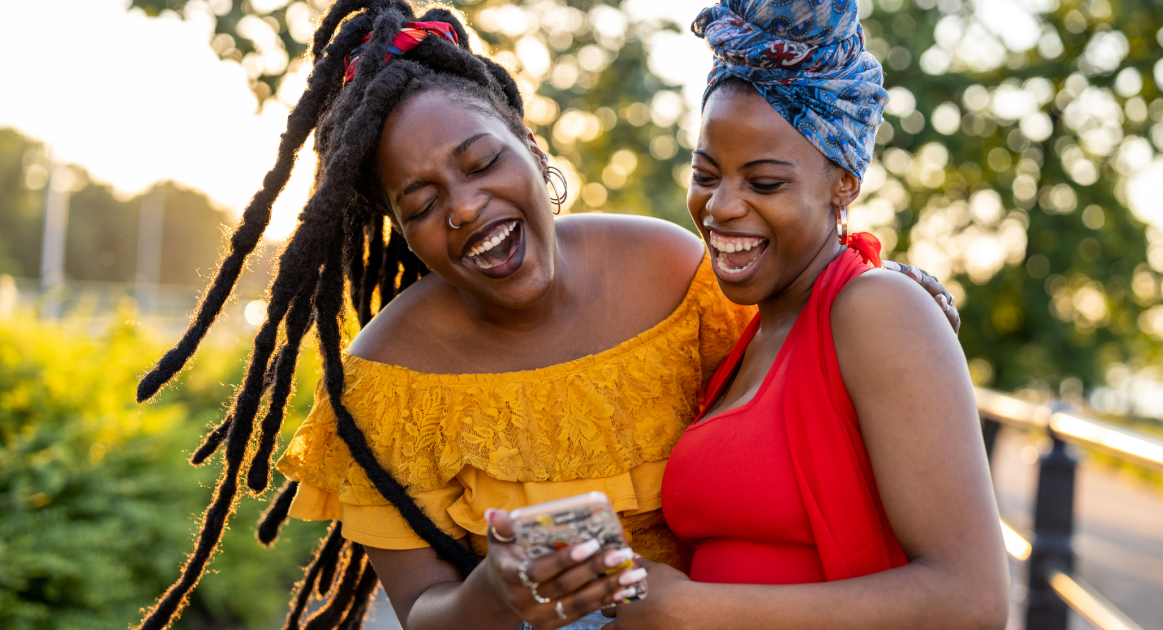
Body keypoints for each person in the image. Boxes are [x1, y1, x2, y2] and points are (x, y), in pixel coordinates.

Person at [130, 2, 959, 630]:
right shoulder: (382, 385)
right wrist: (497, 590)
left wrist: (887, 292)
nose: (462, 207)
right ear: (396, 227)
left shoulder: (675, 268)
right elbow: (423, 615)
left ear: (530, 146)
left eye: (482, 161)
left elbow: (801, 355)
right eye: (420, 202)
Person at [598, 2, 1010, 629]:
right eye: (705, 174)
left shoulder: (878, 310)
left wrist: (696, 609)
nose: (721, 207)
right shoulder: (752, 330)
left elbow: (972, 601)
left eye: (764, 184)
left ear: (843, 182)